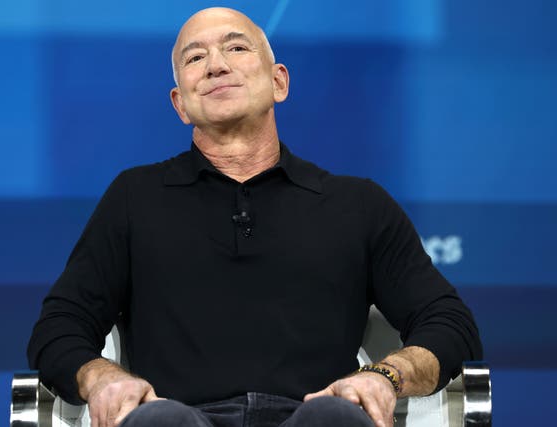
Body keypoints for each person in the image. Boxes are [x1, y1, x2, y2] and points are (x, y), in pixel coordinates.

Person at [28, 7, 482, 427]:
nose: (216, 65)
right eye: (195, 58)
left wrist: (385, 376)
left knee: (334, 418)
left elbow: (449, 323)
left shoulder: (358, 203)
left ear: (279, 82)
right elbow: (60, 327)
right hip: (180, 419)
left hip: (313, 416)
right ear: (180, 104)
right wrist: (103, 378)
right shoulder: (134, 196)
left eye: (236, 48)